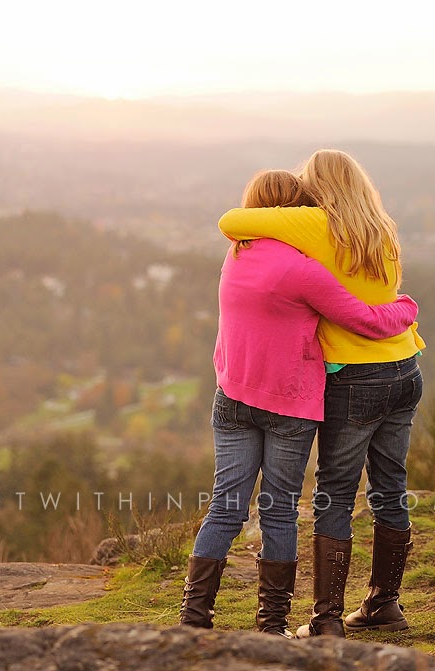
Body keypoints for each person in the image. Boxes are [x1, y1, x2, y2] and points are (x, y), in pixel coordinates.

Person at [179, 169, 419, 638]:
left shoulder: (235, 255)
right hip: (289, 404)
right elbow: (363, 319)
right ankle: (271, 626)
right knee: (279, 509)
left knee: (225, 507)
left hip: (231, 395)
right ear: (300, 212)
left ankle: (193, 619)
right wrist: (406, 309)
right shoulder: (303, 270)